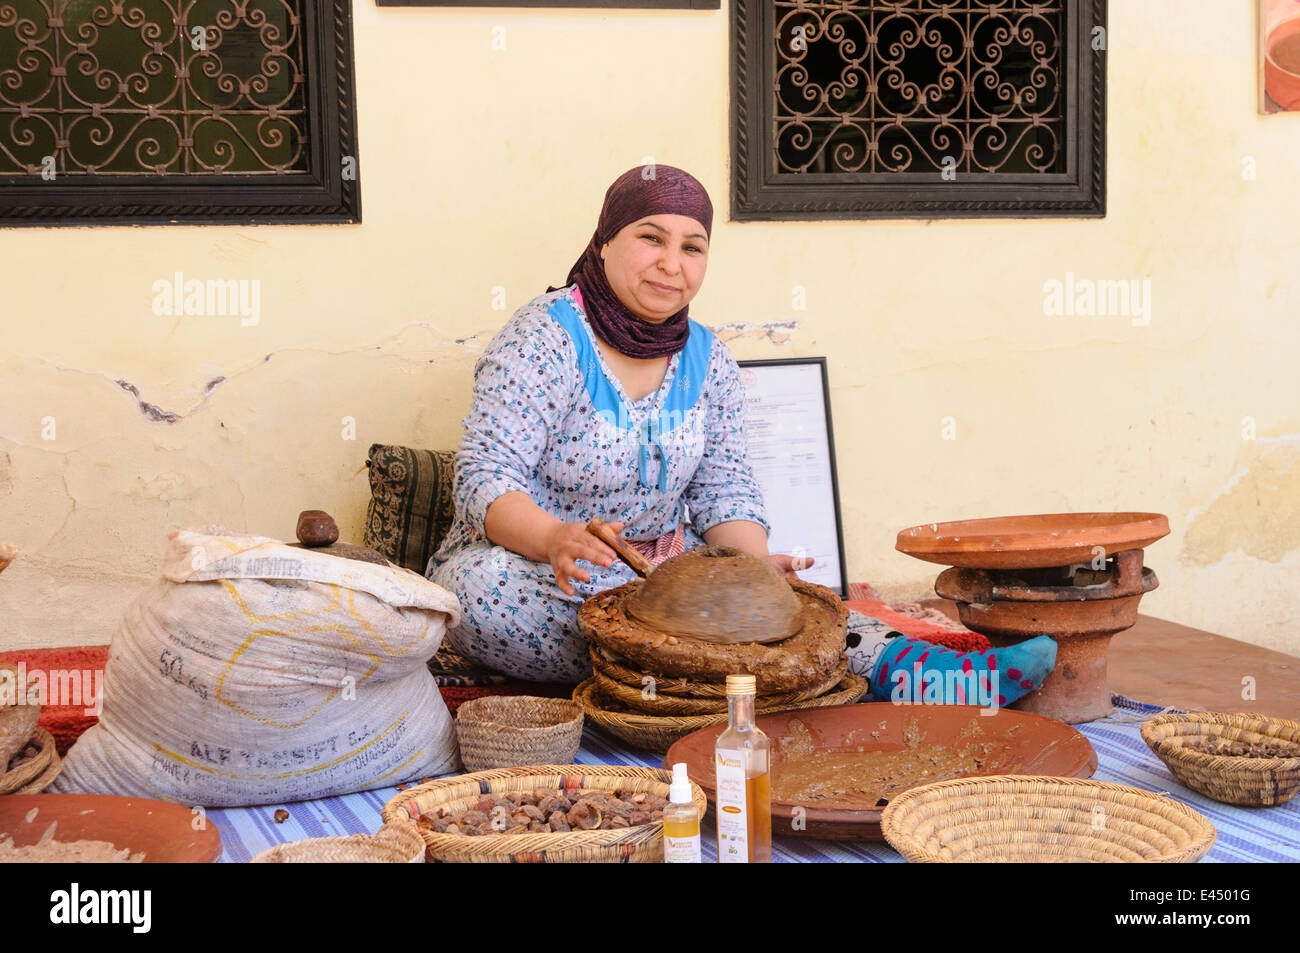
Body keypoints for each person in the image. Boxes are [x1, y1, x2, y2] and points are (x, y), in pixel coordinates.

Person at [428, 163, 1057, 703]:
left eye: (692, 247)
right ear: (603, 244)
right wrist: (554, 538)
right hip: (540, 570)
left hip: (672, 573)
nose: (671, 265)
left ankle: (925, 675)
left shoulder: (709, 360)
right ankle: (753, 672)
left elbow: (723, 489)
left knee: (764, 602)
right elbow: (485, 476)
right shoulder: (544, 336)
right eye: (650, 239)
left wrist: (752, 570)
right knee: (479, 596)